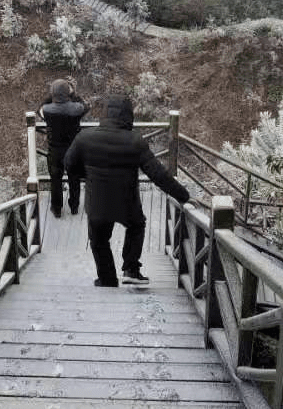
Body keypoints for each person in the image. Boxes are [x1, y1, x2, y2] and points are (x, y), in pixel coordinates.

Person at [64, 95, 190, 288]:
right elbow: (158, 174)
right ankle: (131, 269)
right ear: (128, 116)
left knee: (98, 240)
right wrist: (183, 196)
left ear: (104, 113)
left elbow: (69, 164)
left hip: (97, 202)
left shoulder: (85, 137)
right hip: (126, 201)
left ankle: (107, 279)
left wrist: (88, 175)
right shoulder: (135, 141)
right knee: (136, 226)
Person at [38, 79, 87, 217]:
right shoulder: (76, 109)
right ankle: (74, 206)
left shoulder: (47, 110)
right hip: (73, 149)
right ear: (67, 92)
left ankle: (57, 208)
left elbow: (40, 108)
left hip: (55, 150)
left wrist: (50, 97)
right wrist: (73, 94)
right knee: (74, 178)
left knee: (56, 180)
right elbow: (85, 106)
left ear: (53, 93)